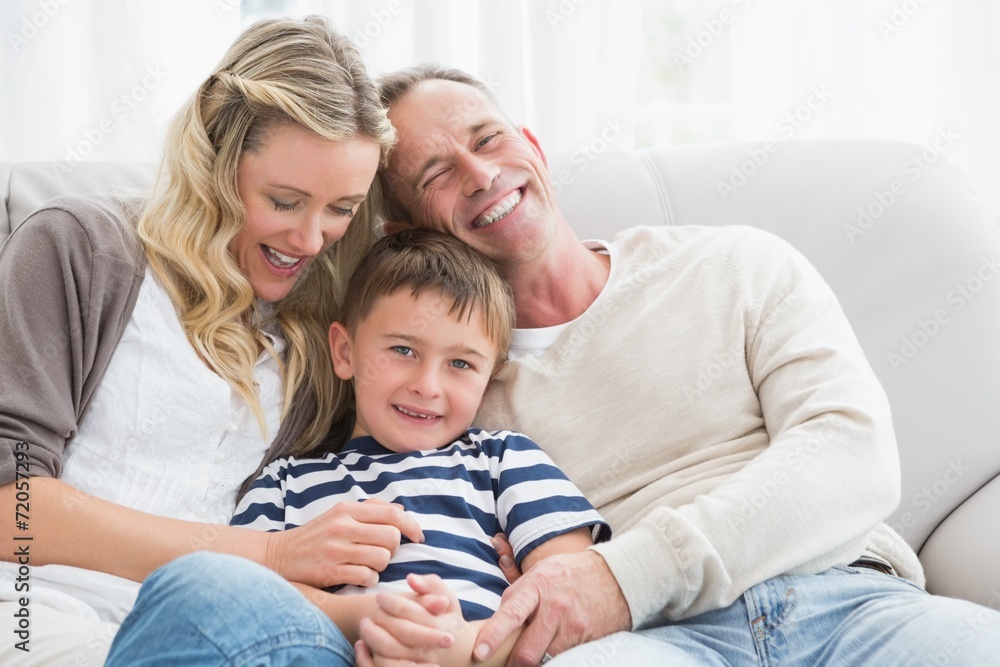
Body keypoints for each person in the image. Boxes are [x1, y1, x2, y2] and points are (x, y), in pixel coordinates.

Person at [349, 64, 1000, 666]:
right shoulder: (437, 393)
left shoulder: (735, 265)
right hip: (646, 641)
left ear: (532, 147)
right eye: (437, 173)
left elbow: (851, 455)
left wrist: (622, 575)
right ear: (406, 234)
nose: (480, 173)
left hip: (848, 598)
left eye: (488, 139)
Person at [0, 16, 420, 666]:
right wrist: (271, 556)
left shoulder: (315, 346)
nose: (311, 240)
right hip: (36, 619)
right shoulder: (80, 247)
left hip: (223, 636)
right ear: (217, 158)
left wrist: (376, 613)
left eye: (340, 209)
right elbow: (11, 506)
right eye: (284, 200)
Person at [221, 229, 608, 666]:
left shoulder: (504, 460)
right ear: (345, 351)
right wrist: (366, 621)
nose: (427, 386)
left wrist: (451, 648)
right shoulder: (285, 481)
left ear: (490, 376)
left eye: (460, 363)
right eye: (403, 349)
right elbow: (239, 593)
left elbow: (570, 598)